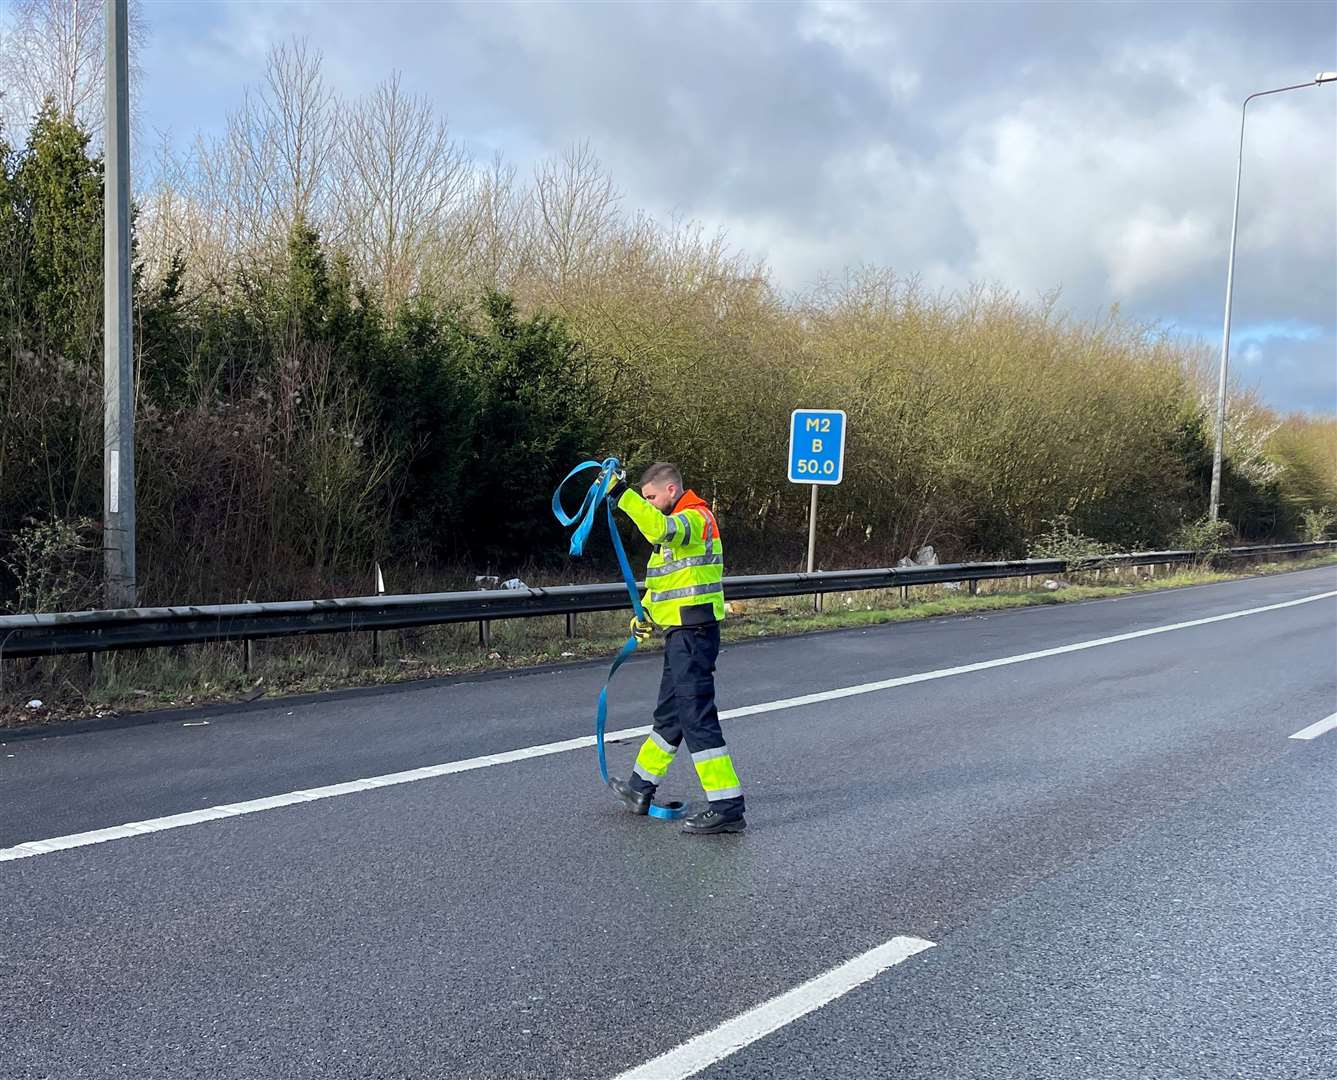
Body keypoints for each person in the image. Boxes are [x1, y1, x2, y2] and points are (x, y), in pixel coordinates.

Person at [604, 461, 746, 835]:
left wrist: (621, 495)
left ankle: (727, 807)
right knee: (670, 716)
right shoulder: (676, 534)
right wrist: (645, 615)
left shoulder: (695, 519)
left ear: (671, 490)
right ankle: (640, 787)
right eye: (643, 498)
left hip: (694, 633)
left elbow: (660, 529)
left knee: (696, 717)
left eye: (650, 497)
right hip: (680, 633)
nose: (648, 504)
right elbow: (669, 583)